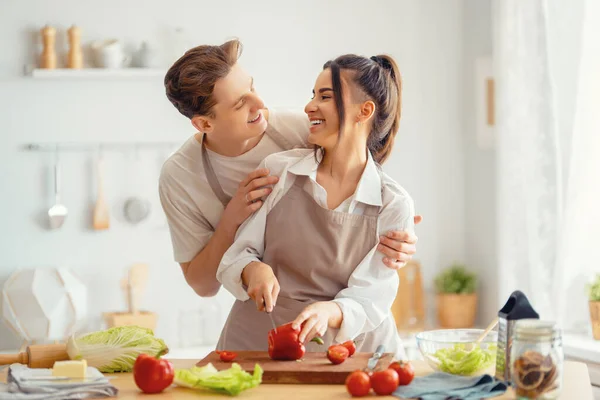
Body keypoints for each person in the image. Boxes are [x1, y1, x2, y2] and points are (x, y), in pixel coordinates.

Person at [159, 39, 421, 299]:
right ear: (204, 124)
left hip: (338, 305)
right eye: (240, 104)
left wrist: (398, 231)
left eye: (252, 87)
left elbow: (360, 169)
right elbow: (203, 286)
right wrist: (230, 221)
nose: (260, 104)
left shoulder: (300, 129)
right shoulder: (180, 176)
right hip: (265, 303)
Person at [216, 53, 413, 359]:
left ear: (365, 110)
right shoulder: (279, 172)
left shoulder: (393, 203)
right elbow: (239, 254)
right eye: (312, 95)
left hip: (350, 353)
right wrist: (254, 270)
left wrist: (330, 310)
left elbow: (372, 296)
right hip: (259, 341)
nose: (309, 106)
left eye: (325, 96)